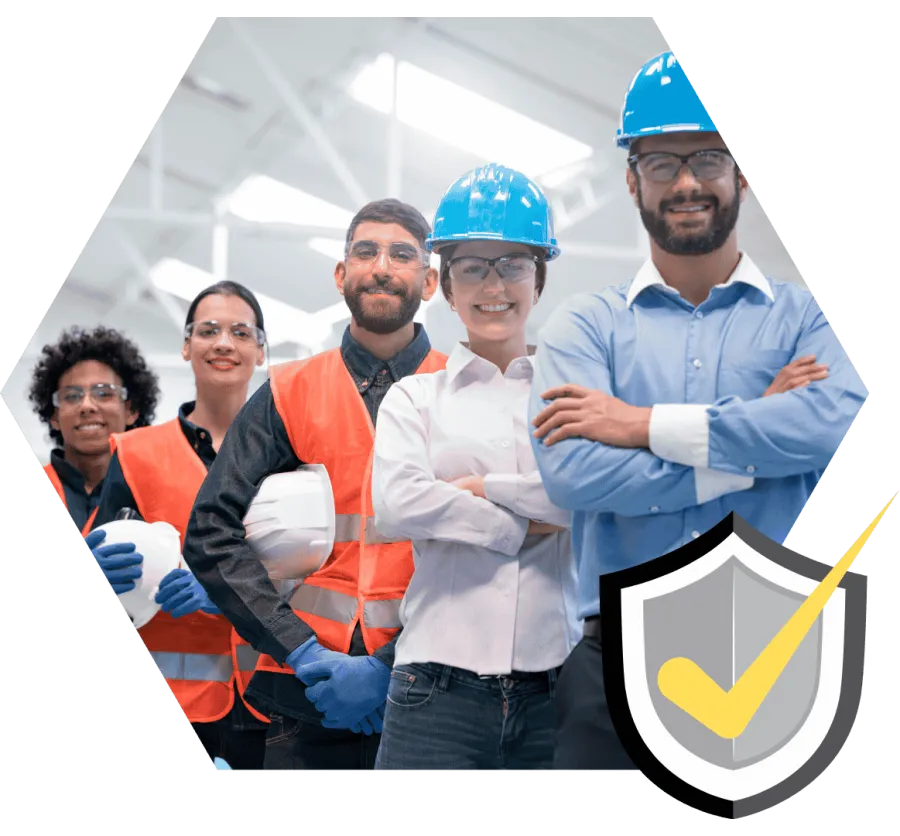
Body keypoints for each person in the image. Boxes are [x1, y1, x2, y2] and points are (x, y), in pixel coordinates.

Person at [528, 49, 870, 774]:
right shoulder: (584, 326)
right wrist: (749, 449)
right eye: (662, 163)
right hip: (613, 657)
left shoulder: (807, 317)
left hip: (777, 646)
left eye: (708, 158)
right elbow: (574, 473)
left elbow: (832, 429)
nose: (687, 182)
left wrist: (641, 424)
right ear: (632, 180)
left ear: (741, 171)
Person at [180, 198, 448, 773]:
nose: (381, 266)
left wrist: (388, 666)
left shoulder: (461, 389)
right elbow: (209, 529)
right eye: (365, 251)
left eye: (402, 255)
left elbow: (487, 554)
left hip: (434, 691)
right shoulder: (288, 391)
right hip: (304, 695)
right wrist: (304, 652)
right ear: (341, 274)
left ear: (428, 282)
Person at [368, 164, 581, 773]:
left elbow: (585, 497)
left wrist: (484, 489)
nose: (495, 284)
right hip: (435, 693)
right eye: (473, 268)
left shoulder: (575, 394)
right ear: (447, 285)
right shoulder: (415, 398)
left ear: (538, 281)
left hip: (554, 691)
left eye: (513, 264)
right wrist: (520, 525)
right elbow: (401, 504)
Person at [83, 281, 272, 773]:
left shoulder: (291, 455)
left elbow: (318, 571)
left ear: (260, 350)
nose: (224, 343)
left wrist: (231, 595)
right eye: (208, 331)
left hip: (273, 701)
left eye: (240, 332)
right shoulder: (137, 453)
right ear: (187, 346)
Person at [29, 325, 160, 538]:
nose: (87, 406)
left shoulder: (155, 495)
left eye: (104, 393)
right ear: (54, 416)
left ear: (131, 410)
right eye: (72, 395)